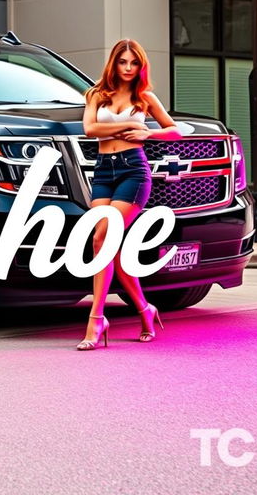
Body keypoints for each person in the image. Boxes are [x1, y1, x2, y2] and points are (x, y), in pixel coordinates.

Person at [77, 39, 182, 351]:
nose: (127, 68)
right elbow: (89, 129)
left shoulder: (145, 96)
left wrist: (148, 133)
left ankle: (96, 319)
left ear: (140, 67)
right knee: (112, 248)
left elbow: (174, 129)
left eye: (133, 63)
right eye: (122, 62)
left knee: (101, 240)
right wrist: (125, 125)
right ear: (114, 63)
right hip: (103, 172)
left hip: (133, 171)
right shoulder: (97, 94)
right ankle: (145, 309)